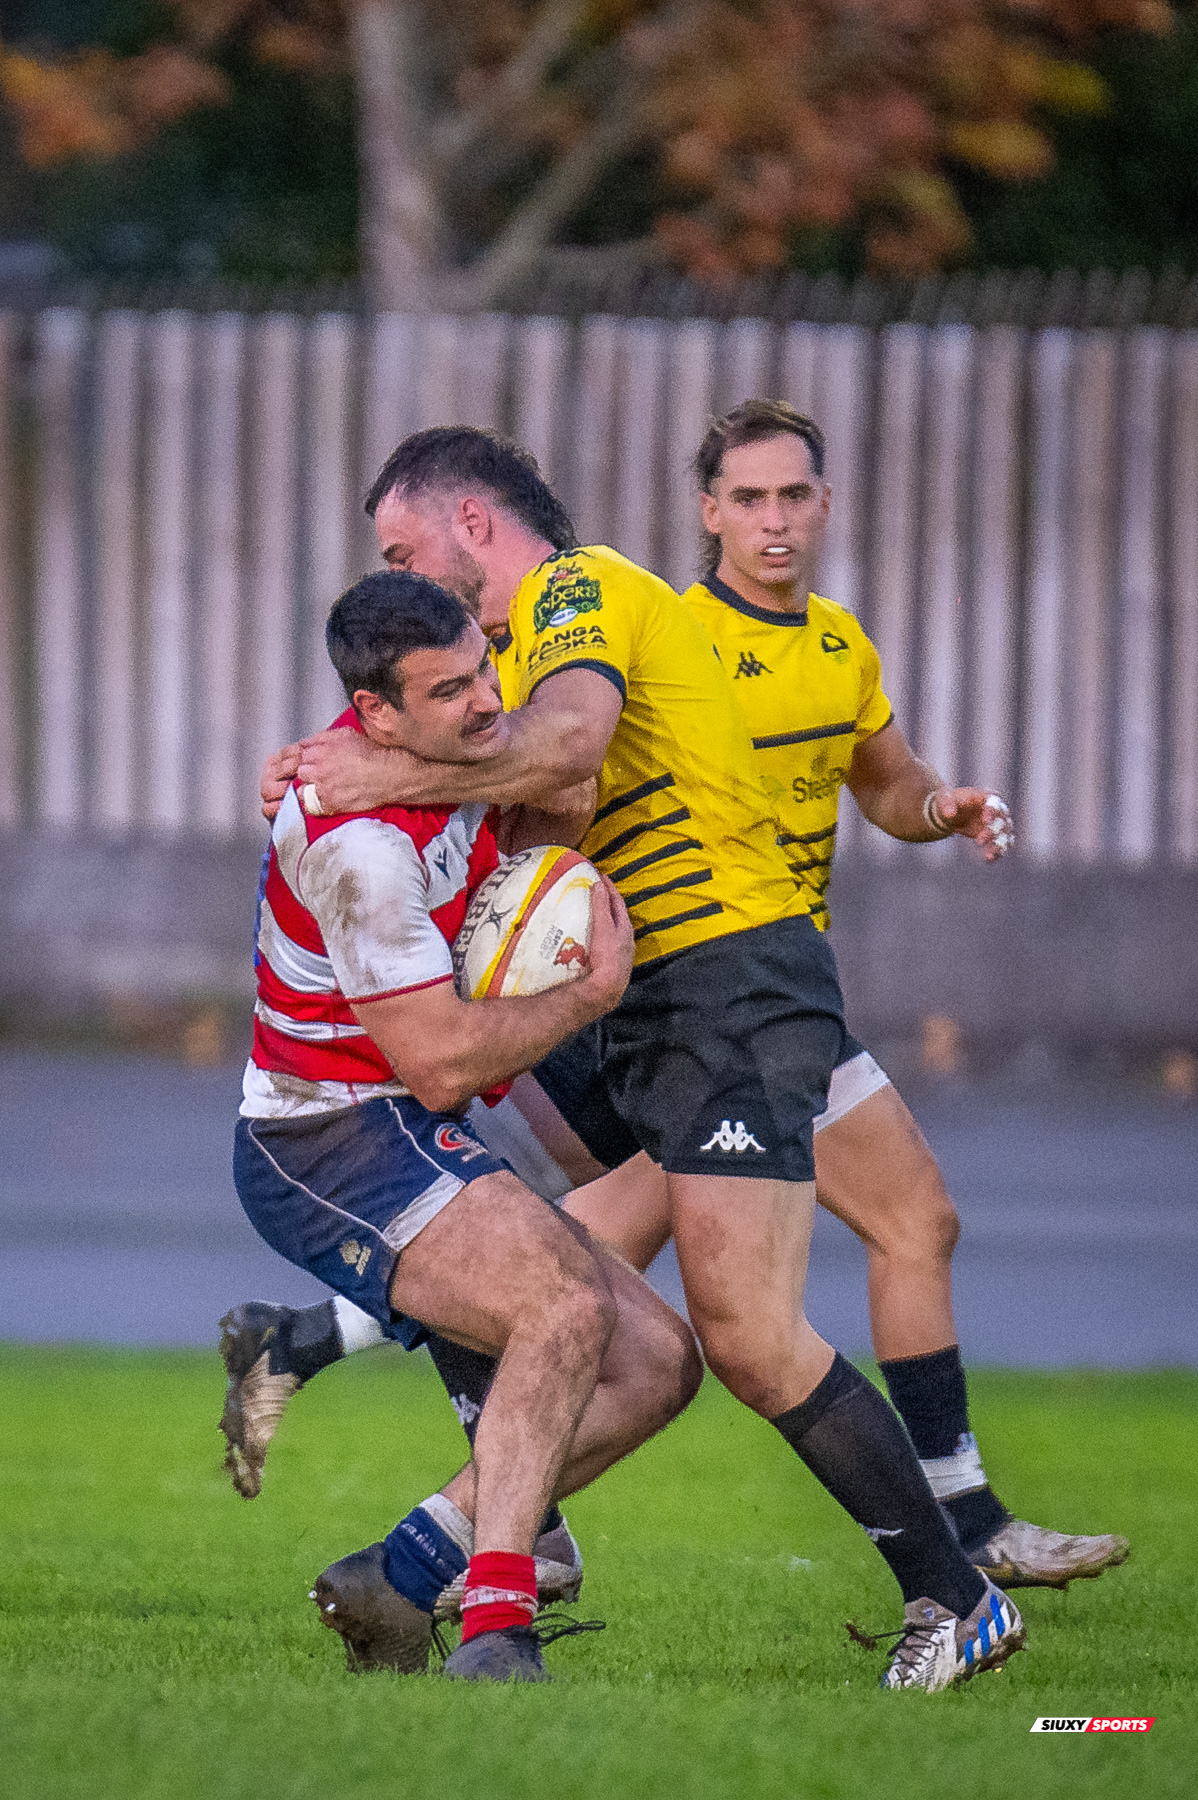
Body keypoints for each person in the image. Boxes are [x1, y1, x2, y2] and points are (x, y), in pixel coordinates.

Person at [239, 426, 1026, 1694]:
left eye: (404, 551)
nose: (401, 576)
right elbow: (548, 804)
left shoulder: (579, 585)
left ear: (474, 528)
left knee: (749, 1333)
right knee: (575, 1275)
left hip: (725, 978)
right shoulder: (513, 650)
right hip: (654, 996)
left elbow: (566, 755)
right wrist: (369, 770)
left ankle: (957, 1590)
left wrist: (377, 762)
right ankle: (434, 1547)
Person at [232, 566, 703, 1683]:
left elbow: (563, 770)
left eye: (485, 668)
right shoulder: (358, 849)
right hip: (324, 1140)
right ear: (377, 714)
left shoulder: (441, 749)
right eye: (450, 692)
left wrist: (524, 799)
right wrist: (583, 993)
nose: (487, 701)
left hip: (399, 1115)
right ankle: (496, 1636)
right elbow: (440, 1064)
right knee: (560, 1307)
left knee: (657, 1366)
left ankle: (398, 1576)